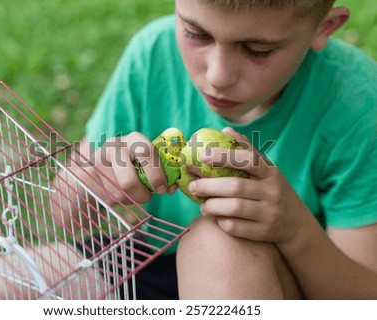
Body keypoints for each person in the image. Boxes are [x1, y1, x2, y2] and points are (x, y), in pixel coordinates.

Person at [53, 0, 377, 299]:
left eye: (257, 50)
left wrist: (294, 228)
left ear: (324, 28)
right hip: (151, 259)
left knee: (217, 241)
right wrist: (93, 183)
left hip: (260, 282)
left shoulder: (358, 104)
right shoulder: (152, 53)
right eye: (196, 34)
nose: (218, 76)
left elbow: (364, 299)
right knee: (7, 280)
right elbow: (61, 215)